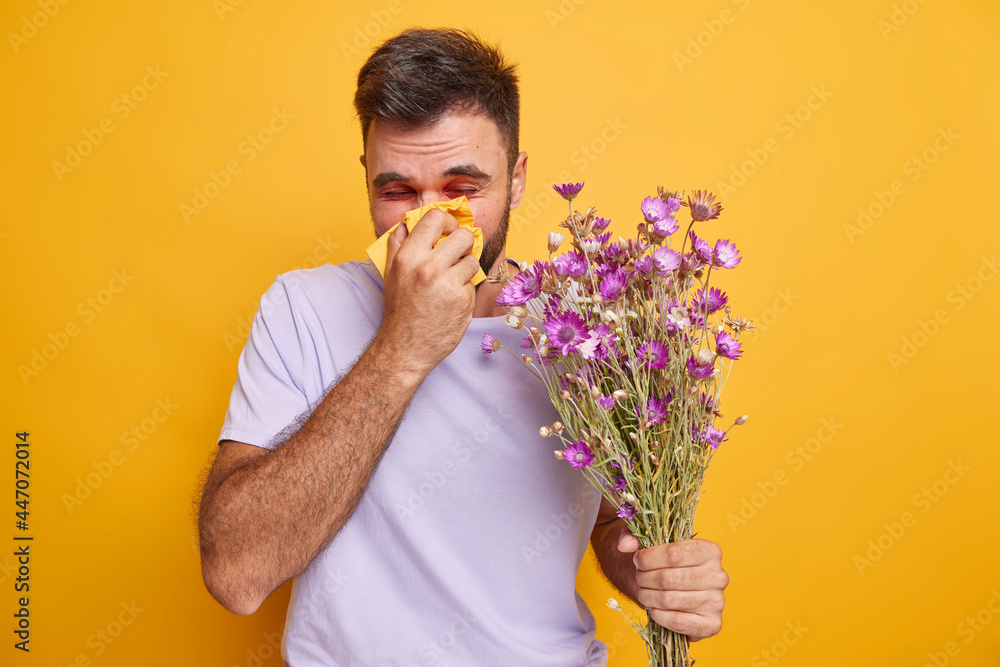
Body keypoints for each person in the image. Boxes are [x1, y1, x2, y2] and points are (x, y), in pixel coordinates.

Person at [197, 27, 728, 666]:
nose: (433, 220)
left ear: (519, 178)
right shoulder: (302, 308)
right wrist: (403, 346)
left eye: (462, 189)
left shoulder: (588, 325)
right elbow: (236, 573)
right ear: (366, 179)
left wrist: (665, 579)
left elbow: (616, 525)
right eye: (397, 191)